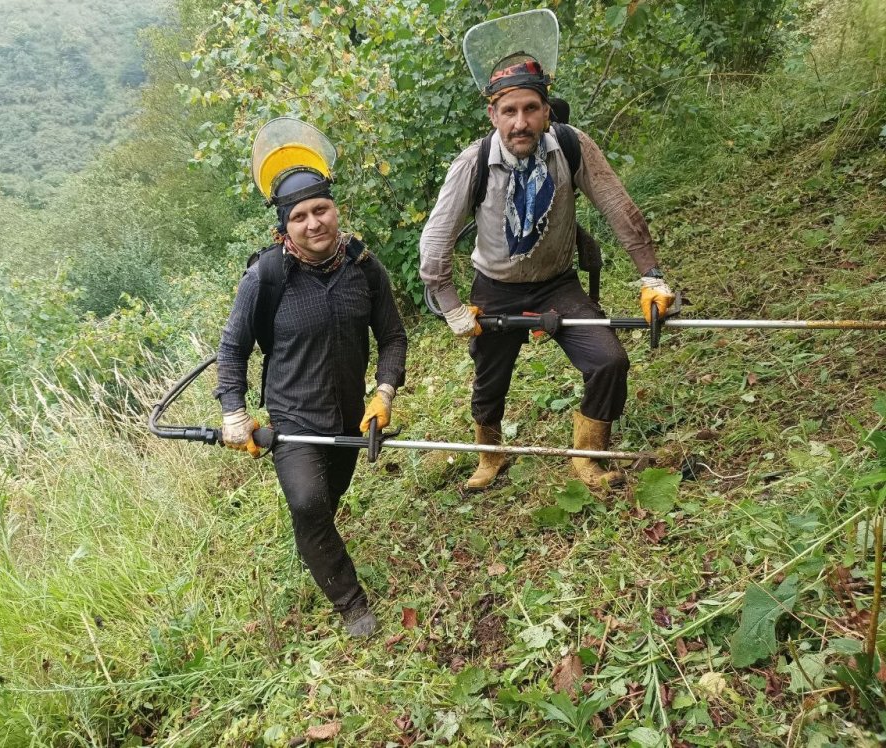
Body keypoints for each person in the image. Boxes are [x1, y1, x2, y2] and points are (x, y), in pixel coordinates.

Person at [419, 57, 674, 491]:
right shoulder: (473, 162)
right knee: (489, 379)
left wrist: (651, 275)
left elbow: (619, 207)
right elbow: (435, 241)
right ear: (493, 115)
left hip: (557, 283)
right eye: (509, 111)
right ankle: (490, 455)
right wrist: (451, 306)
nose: (520, 122)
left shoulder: (572, 146)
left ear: (546, 111)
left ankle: (588, 456)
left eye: (531, 109)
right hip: (495, 286)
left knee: (609, 360)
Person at [215, 118, 407, 638]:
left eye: (320, 210)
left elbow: (393, 337)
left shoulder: (365, 270)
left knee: (325, 503)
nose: (313, 223)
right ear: (284, 229)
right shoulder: (265, 278)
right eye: (299, 217)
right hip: (293, 417)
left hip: (350, 415)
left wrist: (384, 392)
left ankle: (314, 542)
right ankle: (351, 604)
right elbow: (232, 349)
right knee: (307, 501)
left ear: (335, 210)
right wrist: (234, 412)